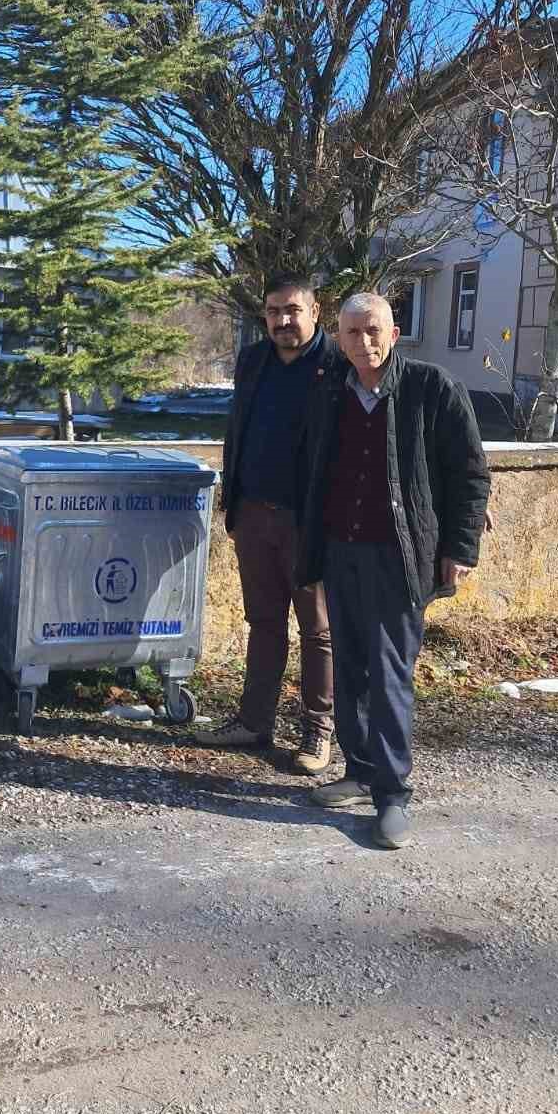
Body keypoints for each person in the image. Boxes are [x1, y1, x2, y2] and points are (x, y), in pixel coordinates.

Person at [295, 292, 490, 849]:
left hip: (402, 555)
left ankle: (392, 794)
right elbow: (311, 466)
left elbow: (471, 476)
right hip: (340, 550)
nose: (364, 342)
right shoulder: (330, 390)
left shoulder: (432, 388)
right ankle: (359, 771)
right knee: (350, 664)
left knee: (388, 671)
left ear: (394, 331)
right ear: (338, 338)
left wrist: (460, 549)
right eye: (352, 333)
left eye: (373, 330)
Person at [193, 273, 342, 773]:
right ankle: (254, 722)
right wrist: (232, 503)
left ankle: (317, 733)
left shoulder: (336, 366)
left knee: (317, 630)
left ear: (314, 312)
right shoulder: (253, 360)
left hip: (309, 521)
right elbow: (238, 429)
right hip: (254, 512)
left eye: (293, 310)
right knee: (263, 622)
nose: (282, 320)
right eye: (274, 311)